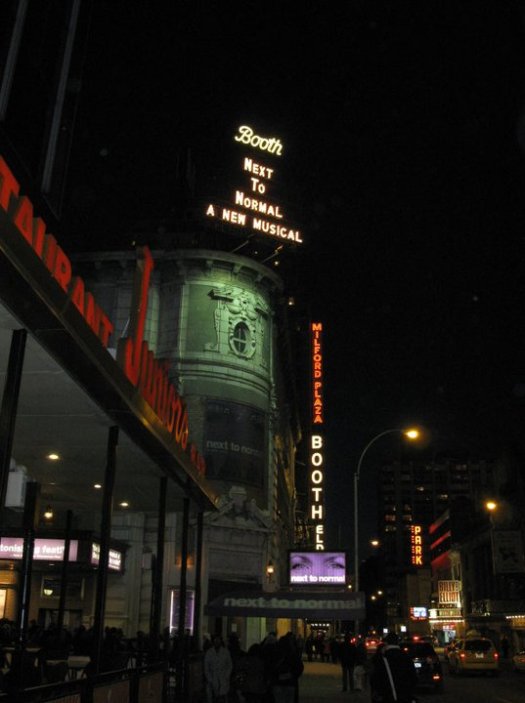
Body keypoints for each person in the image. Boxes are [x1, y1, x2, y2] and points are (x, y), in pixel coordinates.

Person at [369, 632, 417, 703]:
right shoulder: (406, 656)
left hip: (387, 695)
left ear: (387, 643)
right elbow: (413, 677)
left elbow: (375, 678)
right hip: (404, 695)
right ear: (398, 642)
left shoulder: (381, 658)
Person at [204, 634, 233, 703]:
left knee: (223, 696)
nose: (217, 641)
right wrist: (210, 679)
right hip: (212, 677)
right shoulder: (209, 652)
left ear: (221, 641)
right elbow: (206, 667)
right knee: (212, 697)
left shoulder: (225, 652)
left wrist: (226, 675)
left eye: (218, 640)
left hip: (223, 677)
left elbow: (230, 665)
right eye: (215, 640)